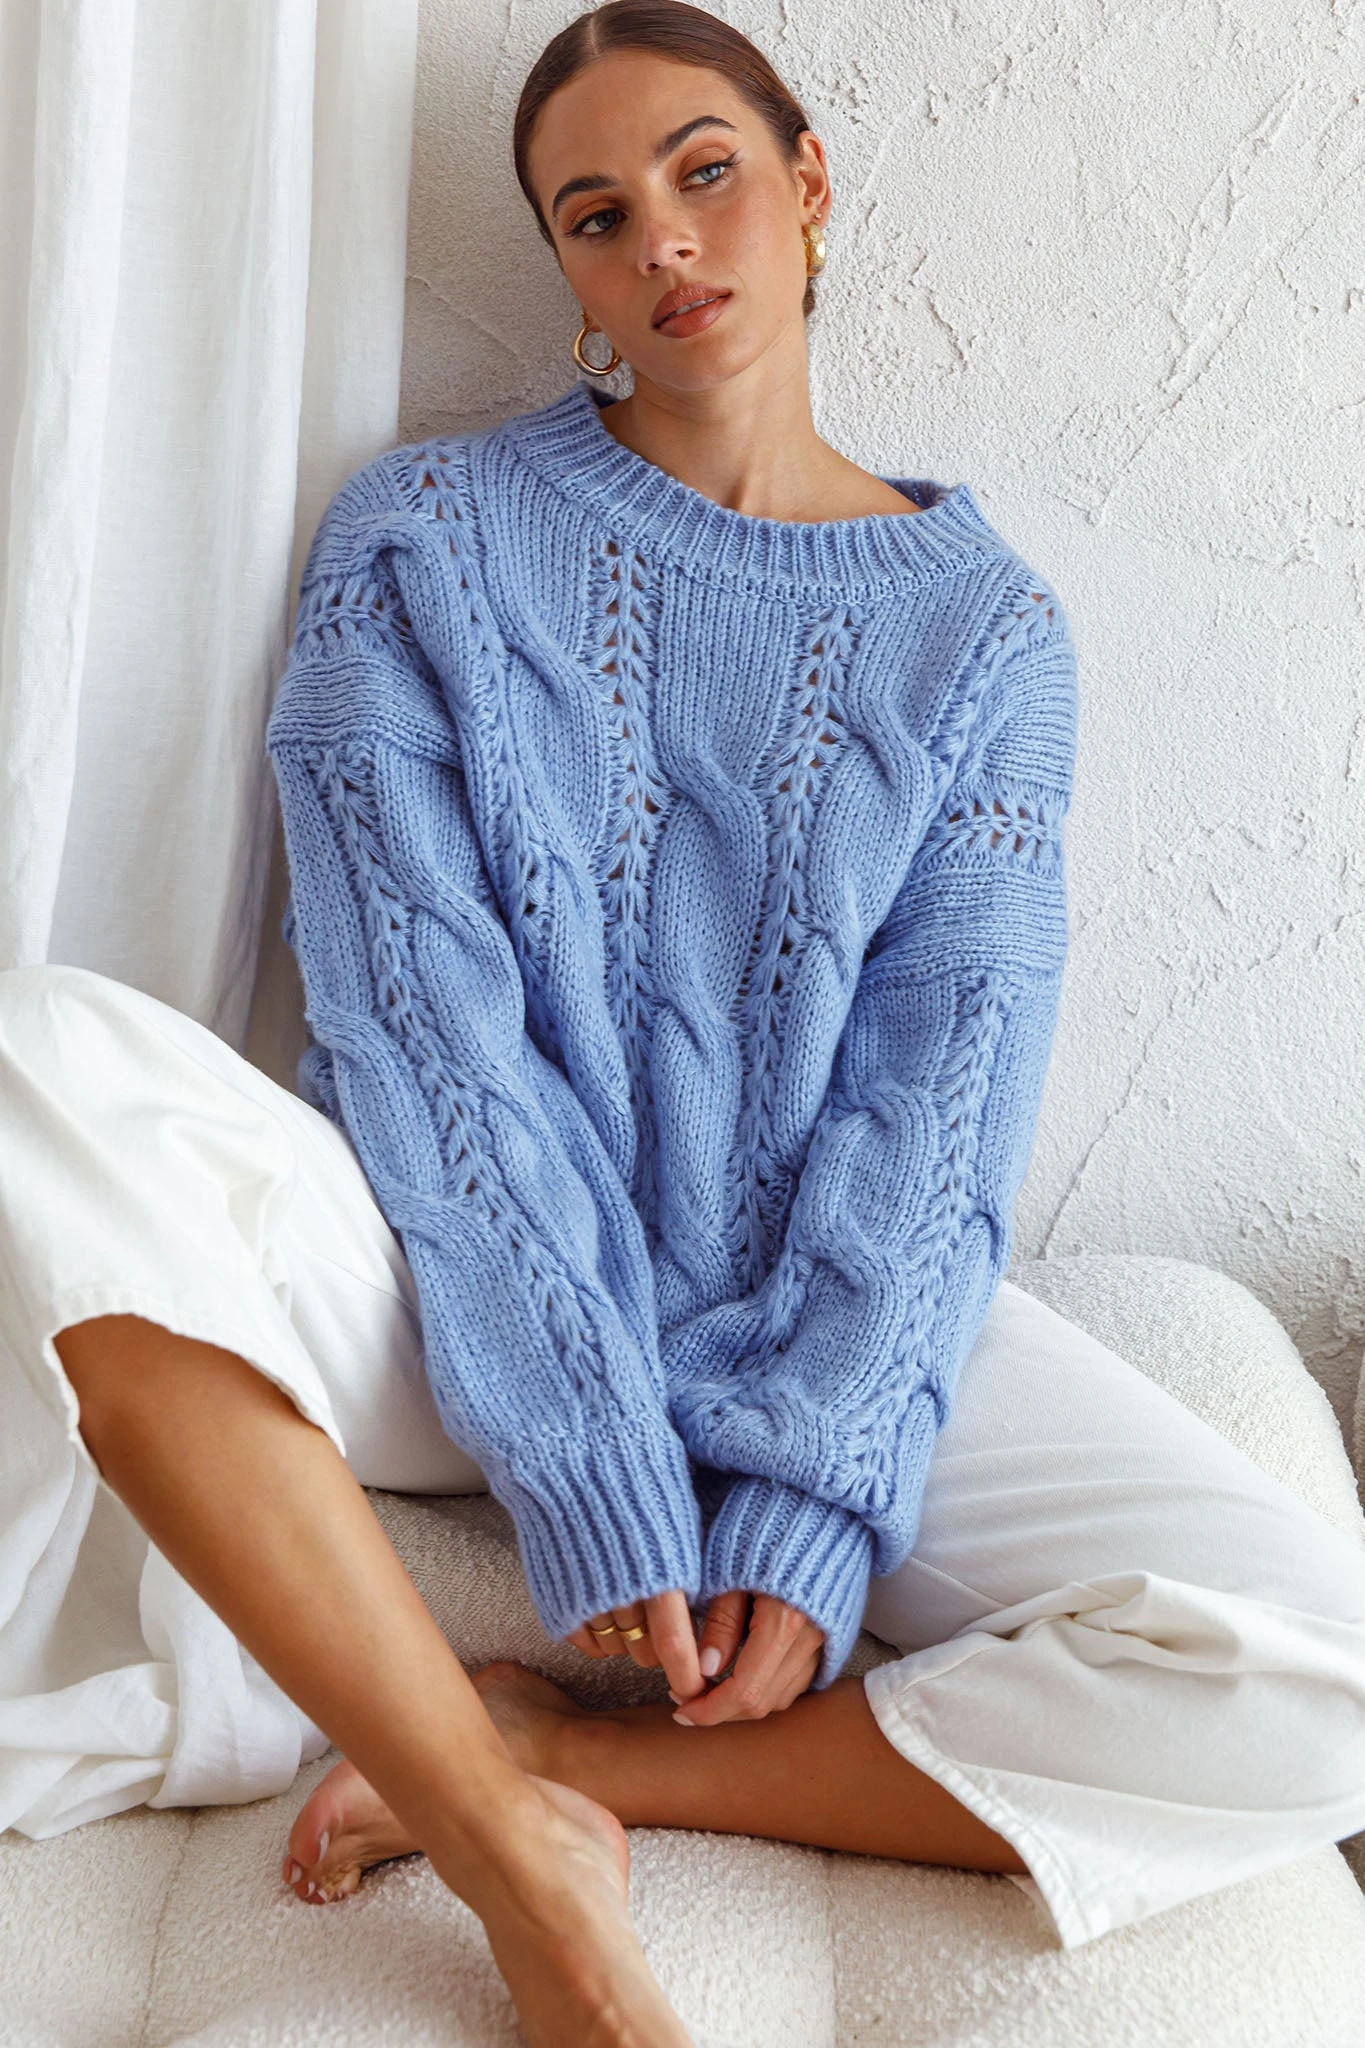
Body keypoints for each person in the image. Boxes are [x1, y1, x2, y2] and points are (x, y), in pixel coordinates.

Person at [3, 4, 1365, 2044]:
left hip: (810, 1311)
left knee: (1326, 1669)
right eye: (595, 210)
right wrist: (586, 1448)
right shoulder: (425, 536)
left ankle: (577, 1759)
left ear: (807, 189)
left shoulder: (987, 634)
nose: (661, 237)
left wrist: (818, 1497)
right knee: (37, 1062)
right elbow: (422, 1033)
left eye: (705, 171)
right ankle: (505, 1843)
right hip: (440, 1287)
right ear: (567, 272)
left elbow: (941, 1105)